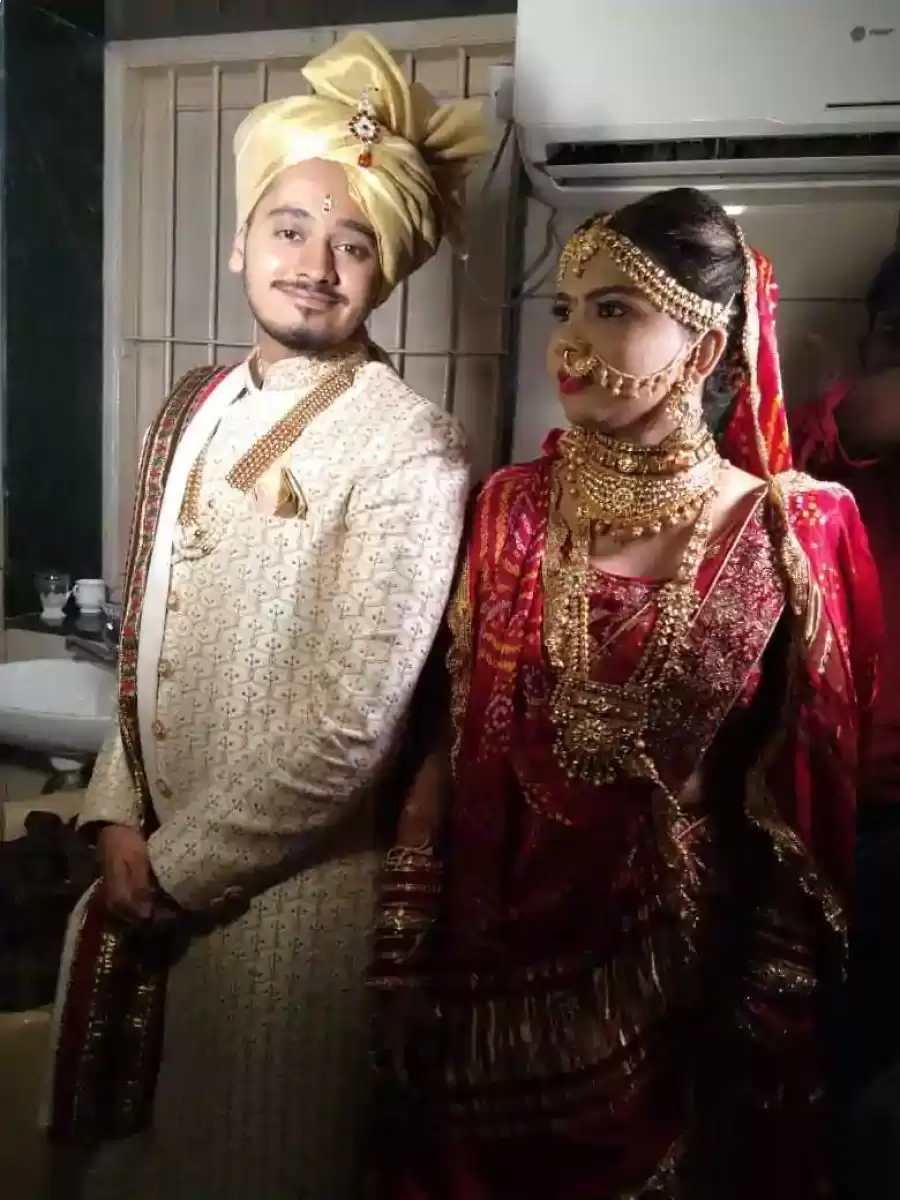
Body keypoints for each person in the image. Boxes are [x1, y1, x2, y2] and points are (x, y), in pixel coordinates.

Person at [42, 30, 489, 1200]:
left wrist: (175, 869)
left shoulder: (410, 443)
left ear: (384, 275)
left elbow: (353, 723)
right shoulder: (194, 403)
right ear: (241, 242)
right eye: (290, 229)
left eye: (354, 244)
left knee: (252, 1163)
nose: (316, 265)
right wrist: (114, 813)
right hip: (145, 864)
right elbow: (145, 641)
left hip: (293, 911)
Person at [369, 187, 881, 1200]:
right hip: (481, 987)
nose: (569, 342)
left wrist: (766, 1021)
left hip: (672, 1000)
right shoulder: (510, 508)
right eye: (564, 309)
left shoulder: (791, 535)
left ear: (704, 347)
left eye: (614, 309)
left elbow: (804, 817)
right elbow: (449, 743)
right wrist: (399, 943)